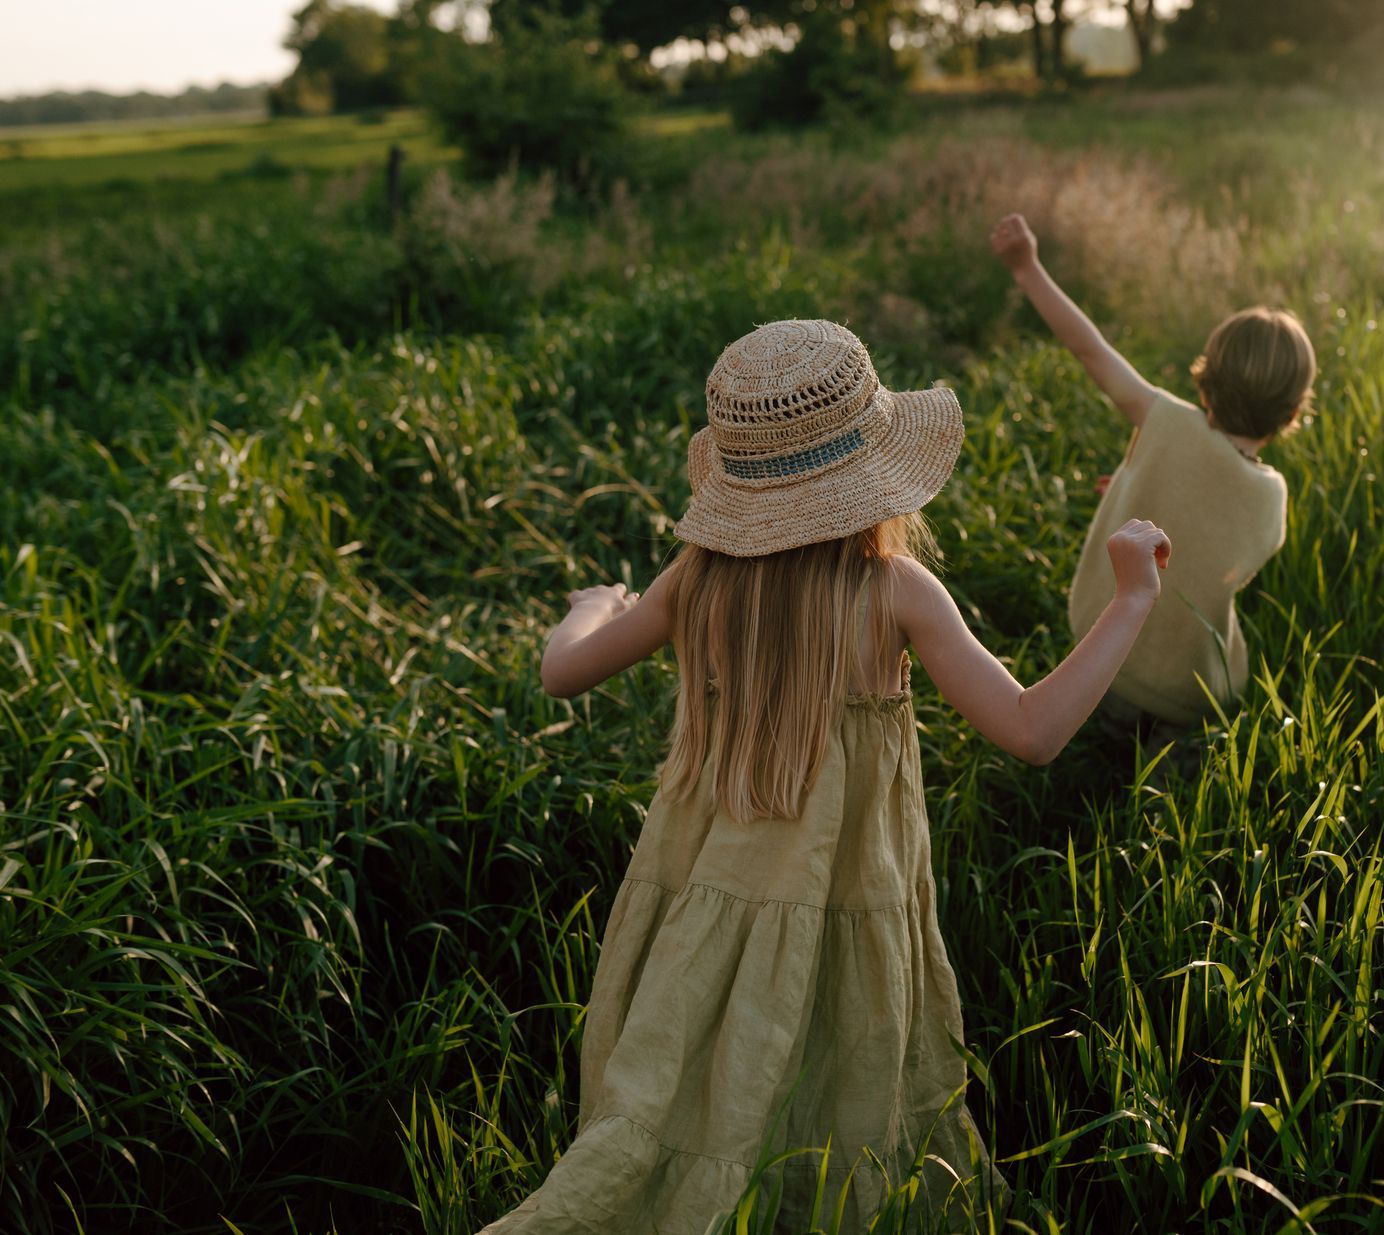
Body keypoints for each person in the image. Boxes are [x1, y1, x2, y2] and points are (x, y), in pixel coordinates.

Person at [481, 319, 1172, 1233]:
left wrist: (588, 608)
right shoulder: (895, 591)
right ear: (872, 465)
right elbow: (1033, 729)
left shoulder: (698, 578)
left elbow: (562, 671)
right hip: (853, 882)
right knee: (837, 1045)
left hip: (709, 883)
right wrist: (1131, 600)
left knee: (708, 1052)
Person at [989, 212, 1313, 727]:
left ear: (1205, 382)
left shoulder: (1163, 418)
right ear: (1293, 412)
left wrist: (1027, 267)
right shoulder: (1273, 497)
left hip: (1096, 658)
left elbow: (1088, 347)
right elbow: (1215, 559)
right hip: (1189, 694)